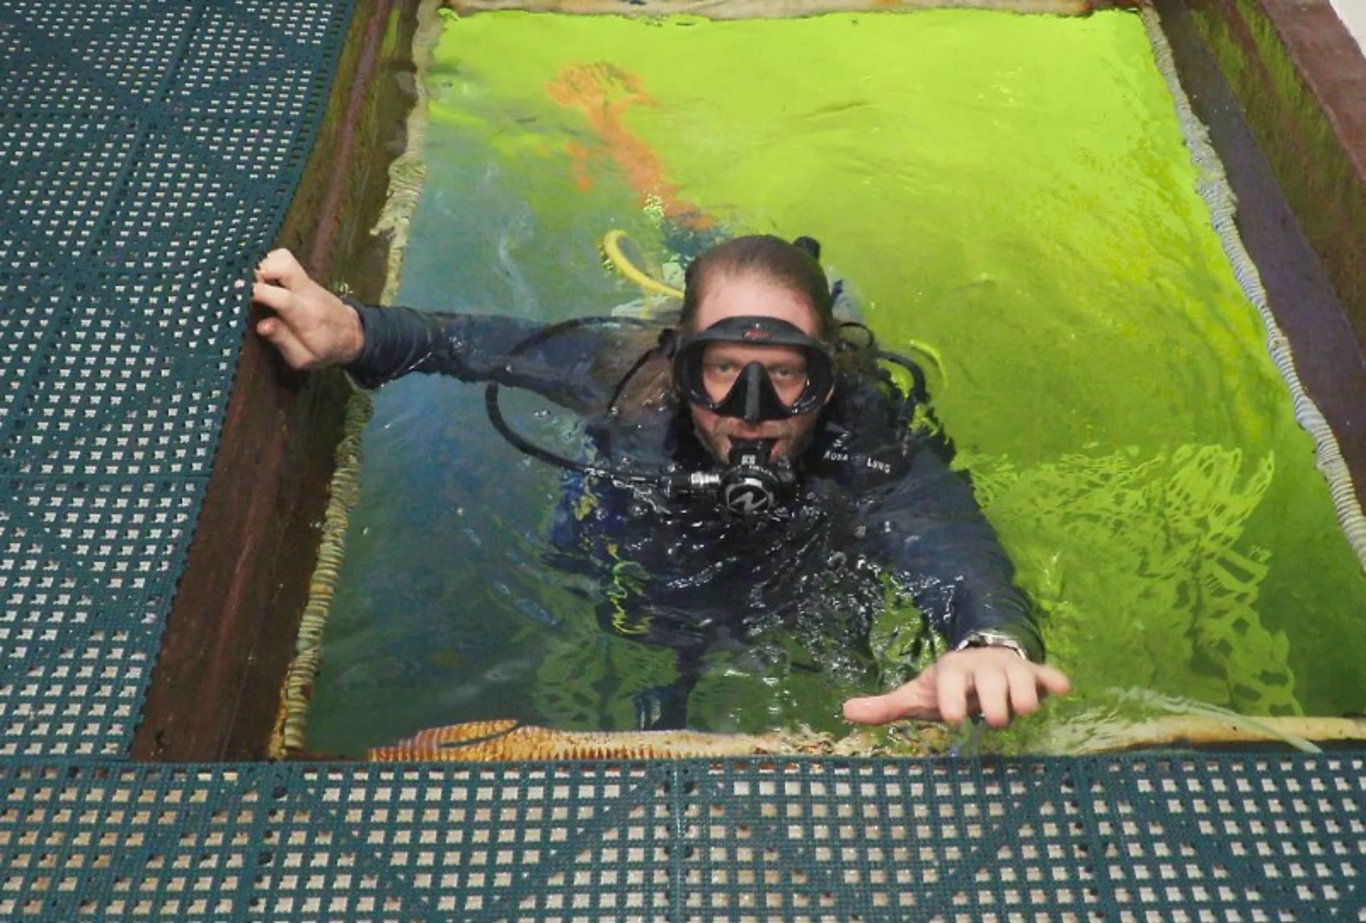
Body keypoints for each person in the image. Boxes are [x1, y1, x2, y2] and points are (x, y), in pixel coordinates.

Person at [252, 235, 1070, 732]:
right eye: (722, 369)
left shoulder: (865, 436)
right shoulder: (628, 382)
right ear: (681, 366)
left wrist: (987, 641)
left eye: (785, 375)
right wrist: (354, 330)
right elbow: (475, 341)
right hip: (652, 560)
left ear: (830, 373)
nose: (750, 413)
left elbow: (948, 535)